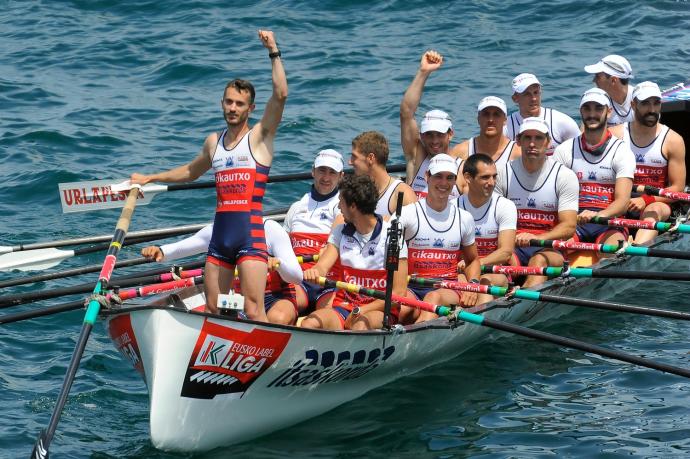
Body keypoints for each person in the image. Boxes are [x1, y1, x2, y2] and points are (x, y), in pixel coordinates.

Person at [130, 30, 288, 320]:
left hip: (251, 235)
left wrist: (273, 51)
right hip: (220, 238)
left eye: (240, 104)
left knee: (254, 310)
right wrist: (151, 178)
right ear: (222, 103)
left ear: (250, 109)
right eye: (228, 102)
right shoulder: (213, 142)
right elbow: (191, 171)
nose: (233, 108)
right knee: (215, 309)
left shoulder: (259, 137)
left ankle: (262, 358)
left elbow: (281, 94)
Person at [140, 219, 303, 325]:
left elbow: (297, 277)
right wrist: (161, 251)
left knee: (277, 319)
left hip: (276, 296)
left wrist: (279, 264)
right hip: (242, 299)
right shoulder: (219, 229)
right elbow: (189, 244)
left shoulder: (270, 229)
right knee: (216, 313)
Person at [301, 174, 408, 331]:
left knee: (360, 326)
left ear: (352, 206)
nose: (338, 207)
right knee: (309, 323)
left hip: (378, 310)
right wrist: (314, 271)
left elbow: (398, 293)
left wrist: (361, 311)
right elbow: (323, 266)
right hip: (344, 307)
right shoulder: (340, 232)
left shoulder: (392, 237)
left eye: (341, 202)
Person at [496, 118, 579, 288]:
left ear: (548, 142)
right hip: (512, 246)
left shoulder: (564, 176)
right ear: (518, 141)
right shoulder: (502, 173)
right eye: (527, 138)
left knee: (538, 262)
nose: (532, 143)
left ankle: (522, 301)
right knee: (500, 267)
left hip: (548, 248)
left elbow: (569, 226)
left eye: (538, 138)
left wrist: (537, 238)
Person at [398, 154, 480, 324]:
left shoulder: (464, 218)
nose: (444, 183)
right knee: (401, 309)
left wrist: (473, 285)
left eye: (450, 178)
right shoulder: (407, 214)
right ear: (427, 177)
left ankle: (414, 345)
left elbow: (472, 260)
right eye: (438, 176)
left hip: (447, 288)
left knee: (432, 297)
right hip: (410, 286)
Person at [553, 88, 635, 256]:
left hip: (609, 223)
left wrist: (598, 214)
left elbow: (622, 202)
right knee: (550, 254)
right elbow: (554, 196)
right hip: (574, 222)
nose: (592, 114)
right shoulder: (564, 150)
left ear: (609, 112)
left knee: (611, 253)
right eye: (587, 108)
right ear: (581, 111)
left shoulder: (622, 151)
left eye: (598, 108)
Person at [614, 81, 686, 244]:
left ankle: (636, 250)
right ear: (633, 105)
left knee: (652, 211)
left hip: (657, 202)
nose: (652, 110)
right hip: (621, 198)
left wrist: (645, 200)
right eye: (645, 103)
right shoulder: (616, 135)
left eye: (656, 103)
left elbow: (677, 189)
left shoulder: (673, 140)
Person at [284, 149, 344, 311]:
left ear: (341, 176)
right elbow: (282, 247)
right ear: (313, 172)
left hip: (331, 283)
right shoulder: (296, 207)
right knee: (280, 314)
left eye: (332, 172)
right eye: (322, 171)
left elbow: (335, 242)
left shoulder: (343, 208)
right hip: (299, 281)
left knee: (324, 319)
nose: (326, 178)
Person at [399, 50, 463, 199]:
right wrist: (423, 72)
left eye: (439, 135)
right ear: (421, 135)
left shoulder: (461, 168)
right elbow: (406, 113)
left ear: (450, 134)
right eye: (429, 135)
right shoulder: (417, 157)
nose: (434, 141)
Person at [457, 153, 517, 303]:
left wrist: (476, 265)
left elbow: (505, 252)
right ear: (468, 178)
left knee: (483, 282)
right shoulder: (454, 207)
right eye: (485, 177)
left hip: (495, 271)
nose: (492, 183)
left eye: (494, 177)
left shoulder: (504, 206)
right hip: (462, 271)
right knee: (462, 283)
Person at [505, 73, 580, 155]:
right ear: (515, 98)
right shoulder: (506, 128)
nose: (533, 98)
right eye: (527, 94)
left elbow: (580, 151)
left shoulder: (562, 122)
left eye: (536, 92)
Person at [348, 131, 417, 217]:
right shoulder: (357, 191)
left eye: (354, 156)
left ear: (370, 158)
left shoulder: (402, 194)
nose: (349, 162)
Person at [456, 96, 521, 168]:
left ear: (505, 120)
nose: (490, 120)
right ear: (478, 119)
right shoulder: (460, 153)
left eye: (496, 114)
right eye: (486, 114)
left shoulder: (518, 153)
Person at [585, 54, 635, 126]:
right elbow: (585, 133)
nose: (594, 80)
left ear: (613, 80)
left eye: (598, 76)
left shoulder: (641, 99)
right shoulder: (597, 101)